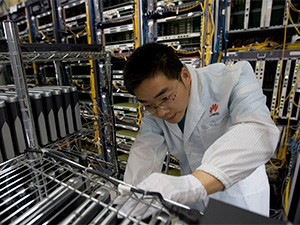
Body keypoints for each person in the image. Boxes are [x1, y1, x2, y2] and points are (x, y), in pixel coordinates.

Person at [122, 43, 280, 217]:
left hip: (238, 192)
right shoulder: (154, 113)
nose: (160, 111)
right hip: (194, 198)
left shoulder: (230, 79)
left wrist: (193, 185)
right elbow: (145, 151)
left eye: (166, 98)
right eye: (149, 105)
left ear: (185, 76)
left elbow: (258, 130)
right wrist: (134, 196)